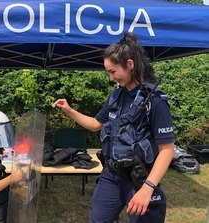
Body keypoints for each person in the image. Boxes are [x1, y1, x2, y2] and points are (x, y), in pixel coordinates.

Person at [52, 32, 175, 223]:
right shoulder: (116, 96)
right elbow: (95, 125)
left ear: (130, 65)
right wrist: (69, 111)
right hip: (112, 174)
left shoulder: (155, 101)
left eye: (113, 71)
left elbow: (167, 150)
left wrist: (148, 187)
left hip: (140, 179)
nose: (111, 78)